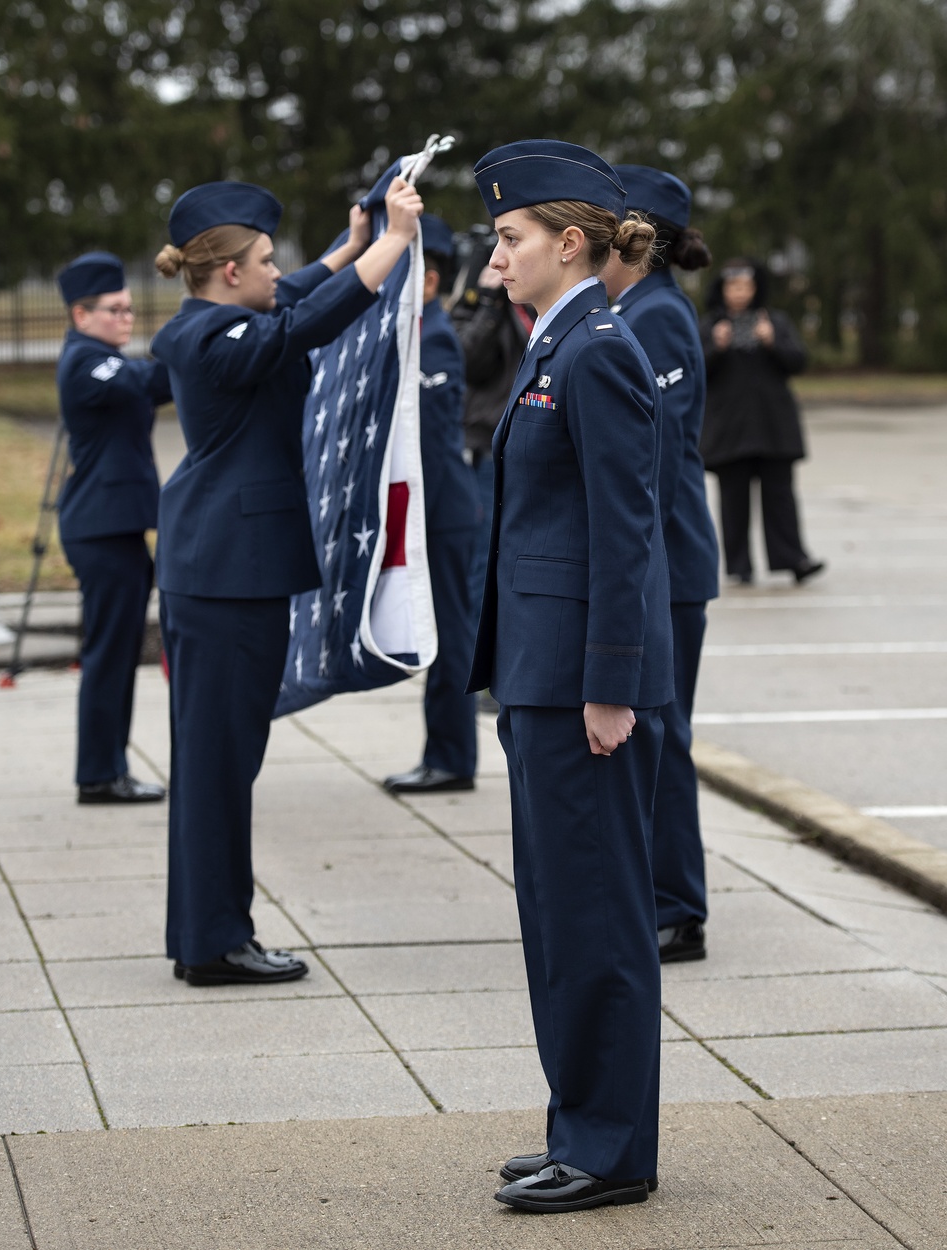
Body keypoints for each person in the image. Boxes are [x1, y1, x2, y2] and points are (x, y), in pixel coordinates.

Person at [466, 140, 673, 1214]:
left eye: (509, 238)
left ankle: (610, 1148)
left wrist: (609, 685)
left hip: (577, 686)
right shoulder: (558, 344)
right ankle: (581, 1122)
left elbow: (623, 531)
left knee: (594, 913)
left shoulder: (596, 351)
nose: (495, 258)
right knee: (558, 912)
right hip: (540, 675)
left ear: (570, 242)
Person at [152, 177, 424, 987]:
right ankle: (213, 942)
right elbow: (304, 321)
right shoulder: (207, 338)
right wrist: (394, 243)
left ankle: (207, 932)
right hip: (225, 576)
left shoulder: (220, 316)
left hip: (228, 573)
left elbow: (300, 292)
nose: (281, 269)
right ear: (230, 272)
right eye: (266, 259)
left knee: (220, 763)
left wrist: (350, 243)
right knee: (217, 766)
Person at [601, 167, 719, 964]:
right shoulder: (629, 310)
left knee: (662, 732)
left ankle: (677, 908)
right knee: (650, 730)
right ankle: (655, 893)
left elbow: (651, 453)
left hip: (668, 562)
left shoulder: (660, 316)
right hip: (656, 560)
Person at [55, 251, 170, 806]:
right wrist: (192, 341)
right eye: (115, 310)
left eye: (129, 309)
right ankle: (100, 774)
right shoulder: (86, 361)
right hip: (101, 532)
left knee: (118, 652)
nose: (126, 318)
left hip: (114, 529)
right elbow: (146, 381)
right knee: (108, 655)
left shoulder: (102, 357)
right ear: (82, 315)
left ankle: (106, 767)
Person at [383, 216, 480, 793]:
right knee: (437, 635)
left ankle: (451, 758)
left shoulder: (436, 336)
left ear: (430, 279)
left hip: (443, 511)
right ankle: (441, 752)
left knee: (449, 638)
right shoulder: (415, 331)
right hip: (431, 510)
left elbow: (427, 436)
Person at [699, 259, 825, 585]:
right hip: (731, 428)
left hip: (773, 427)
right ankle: (739, 566)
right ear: (722, 290)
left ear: (756, 289)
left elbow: (798, 361)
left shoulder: (774, 321)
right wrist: (716, 345)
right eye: (733, 286)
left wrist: (772, 341)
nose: (740, 293)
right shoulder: (711, 325)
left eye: (746, 286)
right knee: (733, 500)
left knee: (780, 497)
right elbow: (696, 370)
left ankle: (793, 558)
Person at [450, 251, 532, 671]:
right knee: (484, 562)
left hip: (532, 449)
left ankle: (514, 662)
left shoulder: (540, 302)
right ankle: (477, 667)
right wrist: (487, 302)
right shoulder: (477, 305)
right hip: (488, 449)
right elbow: (467, 361)